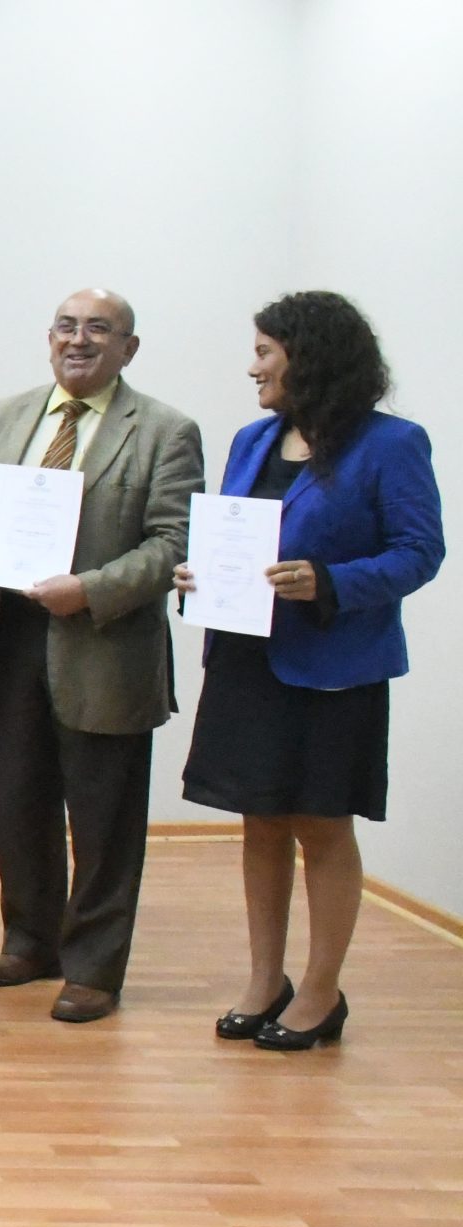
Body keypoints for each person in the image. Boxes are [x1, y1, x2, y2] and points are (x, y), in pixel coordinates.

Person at [178, 292, 443, 1051]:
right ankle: (266, 979)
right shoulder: (251, 439)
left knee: (322, 825)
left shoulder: (392, 443)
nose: (253, 367)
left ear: (310, 356)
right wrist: (199, 574)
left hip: (333, 665)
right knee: (260, 819)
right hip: (246, 657)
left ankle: (322, 991)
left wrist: (329, 581)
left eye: (265, 351)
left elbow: (419, 552)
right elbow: (236, 533)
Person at [0, 291, 203, 1023]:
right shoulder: (8, 414)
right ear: (49, 336)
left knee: (104, 818)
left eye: (99, 329)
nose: (79, 340)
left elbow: (173, 542)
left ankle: (94, 966)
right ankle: (30, 942)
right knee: (19, 802)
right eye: (67, 326)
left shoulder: (165, 429)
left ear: (129, 347)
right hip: (15, 637)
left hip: (105, 644)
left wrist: (89, 590)